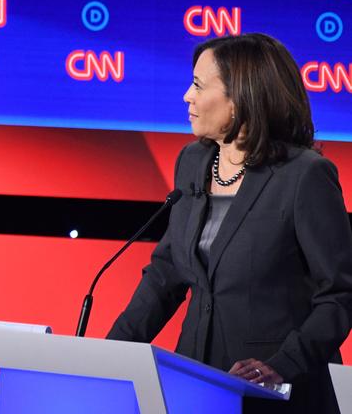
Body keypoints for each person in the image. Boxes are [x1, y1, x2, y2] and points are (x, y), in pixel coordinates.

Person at [108, 33, 352, 413]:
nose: (187, 96)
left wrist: (281, 367)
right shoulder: (192, 161)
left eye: (198, 85)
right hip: (195, 383)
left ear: (241, 99)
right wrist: (110, 354)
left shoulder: (305, 175)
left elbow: (339, 295)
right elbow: (166, 274)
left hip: (275, 393)